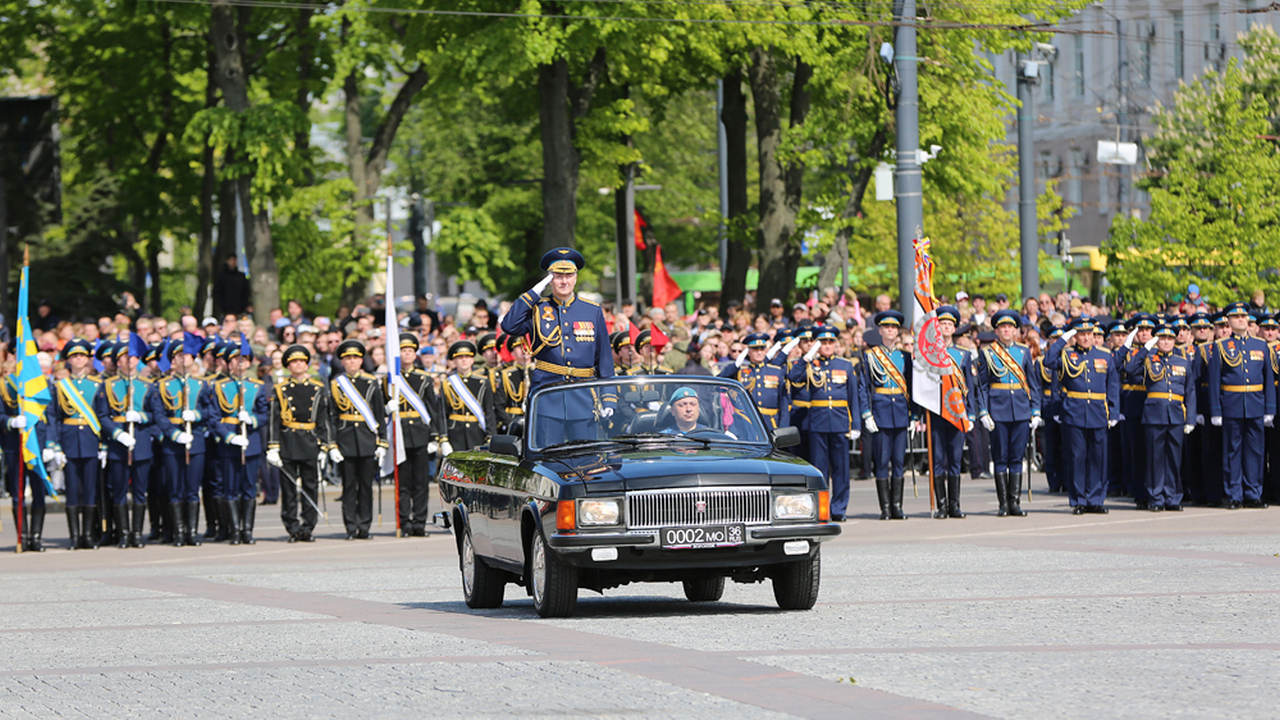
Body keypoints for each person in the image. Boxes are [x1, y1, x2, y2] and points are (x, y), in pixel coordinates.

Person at [499, 248, 615, 446]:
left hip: (583, 396)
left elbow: (604, 359)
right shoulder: (538, 309)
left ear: (576, 278)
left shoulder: (592, 311)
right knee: (547, 458)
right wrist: (533, 293)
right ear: (550, 279)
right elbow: (509, 326)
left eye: (568, 275)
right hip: (548, 396)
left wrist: (609, 398)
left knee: (585, 458)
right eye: (558, 276)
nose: (564, 281)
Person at [96, 340, 170, 548]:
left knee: (140, 490)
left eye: (132, 358)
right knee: (118, 490)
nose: (129, 361)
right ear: (117, 362)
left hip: (141, 442)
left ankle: (137, 533)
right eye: (123, 358)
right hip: (119, 443)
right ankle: (123, 534)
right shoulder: (108, 385)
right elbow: (102, 415)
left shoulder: (147, 386)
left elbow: (155, 414)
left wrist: (140, 417)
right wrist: (117, 433)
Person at [788, 325, 861, 522]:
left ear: (836, 344)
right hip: (818, 423)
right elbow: (793, 377)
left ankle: (838, 509)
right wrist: (806, 358)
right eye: (823, 342)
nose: (827, 346)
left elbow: (853, 396)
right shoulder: (810, 364)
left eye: (830, 342)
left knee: (841, 469)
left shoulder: (845, 365)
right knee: (820, 470)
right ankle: (822, 510)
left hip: (839, 422)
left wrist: (856, 425)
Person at [1046, 318, 1119, 514]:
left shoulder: (1104, 354)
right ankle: (1079, 499)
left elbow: (1112, 385)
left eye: (1089, 334)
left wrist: (1113, 411)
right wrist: (1063, 340)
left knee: (1098, 457)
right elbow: (1048, 360)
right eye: (1081, 334)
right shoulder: (1067, 354)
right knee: (1077, 457)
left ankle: (1095, 499)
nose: (1086, 338)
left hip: (1097, 411)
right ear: (1075, 336)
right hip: (1074, 411)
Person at [1207, 302, 1275, 509]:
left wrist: (1270, 408)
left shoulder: (1260, 345)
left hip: (1255, 404)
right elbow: (1214, 382)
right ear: (1228, 321)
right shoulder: (1220, 346)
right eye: (1236, 317)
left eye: (1243, 316)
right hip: (1232, 404)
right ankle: (1234, 494)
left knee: (1255, 452)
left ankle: (1253, 493)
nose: (1240, 320)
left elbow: (1268, 380)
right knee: (1232, 451)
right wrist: (1216, 410)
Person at [202, 336, 269, 545]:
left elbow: (265, 415)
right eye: (235, 360)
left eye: (244, 359)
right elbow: (213, 418)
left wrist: (252, 419)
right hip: (229, 444)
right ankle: (235, 530)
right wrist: (230, 436)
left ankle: (247, 530)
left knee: (249, 488)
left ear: (249, 363)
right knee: (230, 488)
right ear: (228, 363)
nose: (239, 363)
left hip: (250, 442)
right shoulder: (219, 386)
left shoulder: (257, 387)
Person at [976, 309, 1041, 517]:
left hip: (1020, 410)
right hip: (998, 410)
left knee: (1017, 457)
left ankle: (1015, 502)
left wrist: (1036, 409)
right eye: (1003, 327)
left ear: (1015, 330)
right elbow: (983, 386)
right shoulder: (987, 353)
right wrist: (984, 411)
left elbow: (1033, 383)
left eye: (1010, 327)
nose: (1006, 330)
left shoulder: (1023, 352)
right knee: (1000, 457)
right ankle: (1003, 503)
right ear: (997, 330)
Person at [1126, 324, 1197, 512]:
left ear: (1174, 341)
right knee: (1154, 458)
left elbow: (1190, 391)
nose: (1166, 342)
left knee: (1174, 458)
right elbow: (1131, 370)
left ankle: (1173, 497)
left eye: (1169, 339)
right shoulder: (1148, 359)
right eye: (1162, 338)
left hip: (1175, 414)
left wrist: (1190, 419)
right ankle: (1156, 497)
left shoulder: (1182, 362)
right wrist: (1145, 349)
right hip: (1154, 414)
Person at [265, 344, 332, 543]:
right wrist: (273, 446)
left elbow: (323, 420)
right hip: (289, 442)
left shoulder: (317, 389)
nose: (299, 365)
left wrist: (324, 445)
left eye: (302, 361)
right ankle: (293, 527)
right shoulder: (281, 389)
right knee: (289, 489)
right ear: (288, 366)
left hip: (310, 441)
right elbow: (274, 419)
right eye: (294, 362)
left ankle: (308, 527)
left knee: (310, 487)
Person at [385, 332, 445, 537]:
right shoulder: (391, 379)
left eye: (410, 351)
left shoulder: (424, 379)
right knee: (402, 483)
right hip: (400, 434)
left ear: (415, 354)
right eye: (403, 350)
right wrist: (387, 408)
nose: (407, 354)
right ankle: (404, 522)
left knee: (420, 483)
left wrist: (434, 436)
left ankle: (419, 523)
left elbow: (432, 410)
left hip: (420, 433)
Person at [327, 339, 387, 539]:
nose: (352, 362)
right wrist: (332, 444)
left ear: (361, 360)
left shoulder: (370, 382)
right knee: (349, 487)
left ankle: (365, 526)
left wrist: (383, 441)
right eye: (348, 358)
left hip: (367, 439)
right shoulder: (336, 384)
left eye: (355, 358)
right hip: (345, 440)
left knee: (366, 486)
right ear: (342, 362)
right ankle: (350, 527)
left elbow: (379, 414)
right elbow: (332, 417)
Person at [859, 310, 913, 520]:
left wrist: (914, 415)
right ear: (880, 330)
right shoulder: (871, 356)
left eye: (893, 327)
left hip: (900, 411)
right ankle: (885, 508)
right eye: (886, 327)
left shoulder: (905, 357)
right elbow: (864, 387)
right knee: (881, 462)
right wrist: (866, 413)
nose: (890, 330)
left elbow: (913, 387)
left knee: (899, 461)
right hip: (880, 411)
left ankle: (897, 506)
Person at [155, 336, 208, 547]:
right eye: (178, 356)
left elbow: (210, 411)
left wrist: (196, 415)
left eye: (186, 355)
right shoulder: (162, 386)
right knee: (175, 487)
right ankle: (178, 532)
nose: (183, 359)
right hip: (173, 441)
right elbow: (158, 414)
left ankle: (192, 532)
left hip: (195, 441)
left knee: (192, 488)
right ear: (172, 360)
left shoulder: (201, 385)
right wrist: (173, 433)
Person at [928, 306, 979, 519]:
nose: (945, 327)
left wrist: (972, 414)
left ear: (954, 328)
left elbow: (971, 386)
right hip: (937, 412)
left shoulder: (963, 355)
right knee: (938, 459)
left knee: (955, 459)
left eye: (949, 324)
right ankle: (941, 505)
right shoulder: (929, 354)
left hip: (957, 413)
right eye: (942, 324)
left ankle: (954, 505)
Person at [1119, 313, 1156, 508]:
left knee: (1156, 452)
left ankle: (1156, 491)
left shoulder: (1160, 350)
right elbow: (1130, 370)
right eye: (1140, 330)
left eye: (1147, 330)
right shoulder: (1130, 352)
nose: (1144, 333)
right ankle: (1140, 493)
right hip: (1134, 404)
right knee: (1138, 452)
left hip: (1155, 404)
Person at [719, 332, 789, 431]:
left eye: (762, 349)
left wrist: (783, 428)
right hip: (747, 423)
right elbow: (720, 379)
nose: (759, 352)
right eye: (755, 349)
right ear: (748, 351)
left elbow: (784, 403)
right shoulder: (741, 372)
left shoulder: (776, 371)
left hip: (770, 423)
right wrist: (735, 366)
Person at [441, 340, 497, 453]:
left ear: (472, 360)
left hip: (477, 432)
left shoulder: (483, 382)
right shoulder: (448, 384)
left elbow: (489, 410)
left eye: (467, 357)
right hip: (455, 433)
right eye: (460, 357)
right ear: (455, 361)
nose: (464, 360)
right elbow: (442, 413)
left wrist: (490, 435)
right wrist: (444, 438)